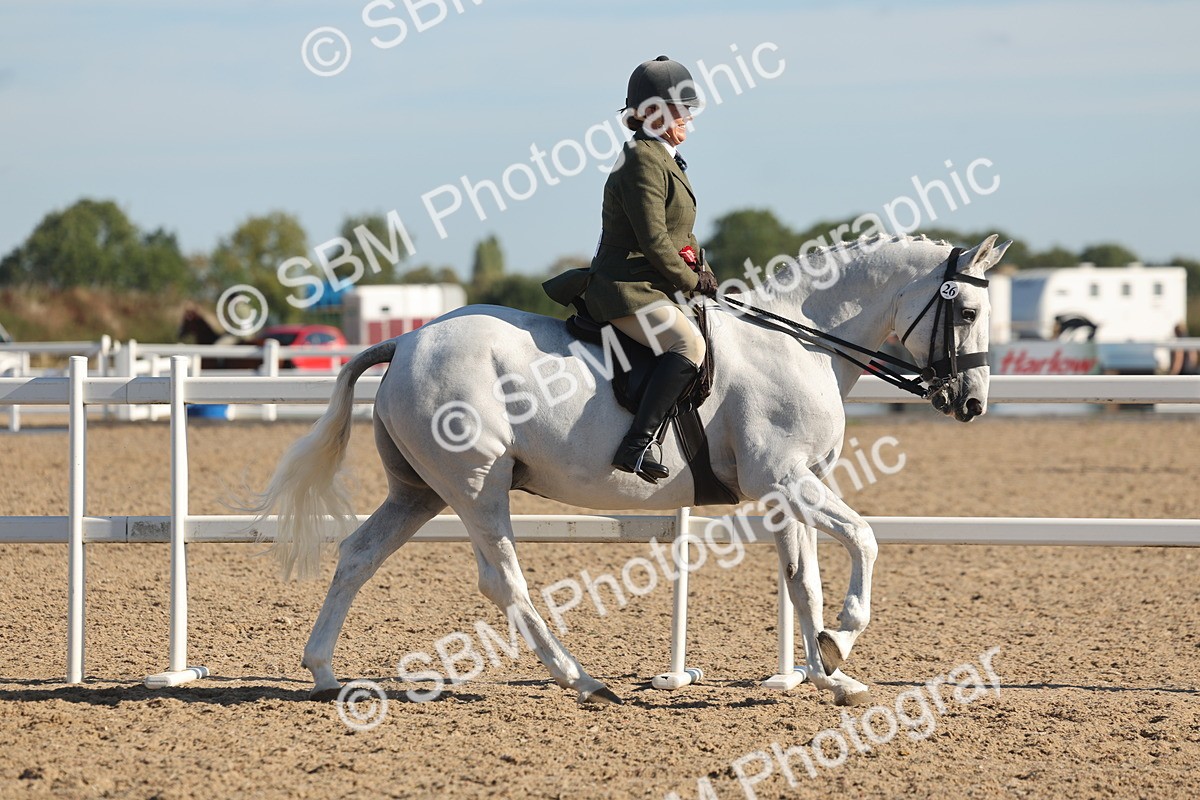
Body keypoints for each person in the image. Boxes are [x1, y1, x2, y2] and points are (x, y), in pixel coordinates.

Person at [543, 55, 718, 483]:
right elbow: (654, 238)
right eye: (681, 111)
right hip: (626, 288)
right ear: (654, 113)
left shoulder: (664, 159)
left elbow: (682, 234)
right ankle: (636, 445)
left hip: (651, 286)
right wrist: (689, 281)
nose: (688, 121)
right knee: (688, 347)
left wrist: (707, 273)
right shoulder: (642, 159)